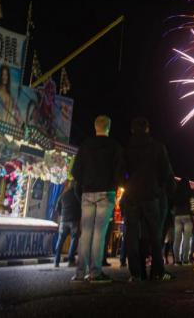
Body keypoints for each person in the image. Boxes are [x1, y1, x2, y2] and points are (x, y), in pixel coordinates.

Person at [70, 115, 124, 283]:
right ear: (108, 127)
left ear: (95, 127)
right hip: (106, 193)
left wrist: (84, 187)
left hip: (87, 193)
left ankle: (80, 273)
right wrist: (114, 185)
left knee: (85, 233)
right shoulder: (114, 146)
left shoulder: (85, 145)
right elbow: (119, 172)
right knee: (99, 233)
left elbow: (75, 171)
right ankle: (95, 272)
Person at [122, 117, 176, 281]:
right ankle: (158, 271)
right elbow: (166, 172)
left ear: (132, 130)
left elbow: (121, 172)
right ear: (147, 129)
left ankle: (136, 273)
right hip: (152, 196)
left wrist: (128, 185)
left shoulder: (126, 148)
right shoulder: (158, 147)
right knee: (155, 235)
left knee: (131, 235)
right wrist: (159, 188)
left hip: (132, 196)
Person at [53, 182, 80, 268]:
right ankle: (70, 261)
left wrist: (62, 215)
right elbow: (81, 207)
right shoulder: (78, 195)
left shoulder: (63, 195)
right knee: (74, 239)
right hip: (74, 220)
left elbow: (57, 208)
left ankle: (56, 261)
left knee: (60, 240)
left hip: (63, 221)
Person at [172, 178, 194, 265]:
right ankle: (185, 259)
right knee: (187, 239)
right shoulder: (190, 192)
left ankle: (177, 260)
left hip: (177, 216)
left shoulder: (176, 192)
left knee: (177, 239)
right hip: (187, 216)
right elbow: (193, 204)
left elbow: (172, 204)